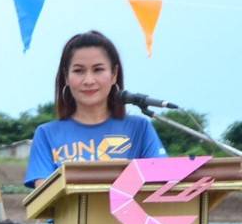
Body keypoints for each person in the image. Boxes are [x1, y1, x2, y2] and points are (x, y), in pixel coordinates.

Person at [23, 30, 166, 187]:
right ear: (66, 77)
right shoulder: (46, 134)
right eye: (79, 71)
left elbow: (160, 181)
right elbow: (44, 194)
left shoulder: (140, 128)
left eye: (98, 70)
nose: (89, 80)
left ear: (114, 74)